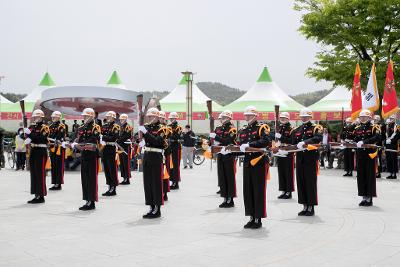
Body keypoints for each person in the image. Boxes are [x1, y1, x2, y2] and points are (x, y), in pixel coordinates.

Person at [237, 106, 271, 229]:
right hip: (247, 162)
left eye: (249, 115)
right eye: (246, 115)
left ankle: (258, 218)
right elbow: (240, 146)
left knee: (258, 190)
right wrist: (228, 150)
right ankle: (251, 216)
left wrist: (249, 144)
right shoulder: (243, 130)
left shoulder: (262, 127)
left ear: (255, 116)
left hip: (259, 162)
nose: (247, 117)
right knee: (248, 190)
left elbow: (266, 141)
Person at [137, 107, 168, 219]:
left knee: (156, 183)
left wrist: (145, 133)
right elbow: (138, 138)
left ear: (156, 117)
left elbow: (157, 141)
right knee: (148, 183)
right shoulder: (146, 127)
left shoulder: (163, 128)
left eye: (152, 116)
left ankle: (157, 208)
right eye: (148, 116)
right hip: (147, 156)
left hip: (156, 156)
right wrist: (139, 139)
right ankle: (150, 206)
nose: (150, 118)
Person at [291, 108, 322, 216]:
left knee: (310, 182)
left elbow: (318, 138)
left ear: (310, 117)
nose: (304, 117)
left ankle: (311, 206)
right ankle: (304, 205)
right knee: (301, 182)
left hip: (311, 159)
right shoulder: (296, 130)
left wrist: (305, 142)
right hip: (300, 159)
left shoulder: (316, 128)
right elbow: (293, 144)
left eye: (306, 116)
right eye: (302, 116)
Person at [71, 107, 101, 210]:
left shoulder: (95, 127)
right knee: (85, 179)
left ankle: (92, 202)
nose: (84, 117)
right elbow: (77, 137)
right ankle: (87, 200)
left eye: (86, 116)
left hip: (92, 155)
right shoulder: (81, 128)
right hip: (84, 155)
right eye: (84, 116)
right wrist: (73, 143)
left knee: (91, 179)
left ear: (92, 116)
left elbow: (93, 139)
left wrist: (79, 144)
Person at [209, 110, 237, 208]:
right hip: (220, 154)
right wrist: (210, 141)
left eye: (225, 117)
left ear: (229, 118)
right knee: (222, 177)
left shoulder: (232, 129)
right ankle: (225, 197)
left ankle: (230, 199)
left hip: (229, 155)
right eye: (222, 117)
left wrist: (216, 137)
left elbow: (228, 141)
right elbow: (214, 141)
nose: (222, 119)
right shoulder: (218, 128)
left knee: (229, 177)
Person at [353, 109, 381, 206]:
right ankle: (363, 197)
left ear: (369, 117)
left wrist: (364, 142)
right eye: (361, 117)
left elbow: (377, 137)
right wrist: (351, 142)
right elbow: (356, 139)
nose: (362, 118)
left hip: (370, 155)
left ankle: (369, 198)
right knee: (361, 176)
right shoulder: (357, 128)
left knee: (369, 176)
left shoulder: (374, 127)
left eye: (364, 117)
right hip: (360, 155)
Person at [24, 109, 50, 204]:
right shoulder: (32, 127)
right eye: (34, 117)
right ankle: (36, 194)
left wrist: (30, 135)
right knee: (34, 173)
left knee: (40, 173)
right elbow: (28, 137)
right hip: (33, 150)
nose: (35, 118)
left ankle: (41, 195)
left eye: (37, 117)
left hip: (41, 151)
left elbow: (41, 139)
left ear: (41, 117)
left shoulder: (45, 127)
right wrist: (25, 134)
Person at [274, 112, 294, 199]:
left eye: (284, 118)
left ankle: (289, 192)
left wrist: (281, 137)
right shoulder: (279, 128)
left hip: (287, 153)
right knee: (281, 172)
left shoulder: (291, 129)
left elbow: (292, 141)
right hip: (279, 151)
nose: (282, 119)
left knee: (288, 173)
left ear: (288, 119)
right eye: (281, 118)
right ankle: (283, 190)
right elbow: (272, 135)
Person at [100, 111, 121, 196]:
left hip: (111, 148)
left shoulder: (116, 127)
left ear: (113, 118)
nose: (108, 118)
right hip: (104, 148)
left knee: (112, 169)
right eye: (107, 117)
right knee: (107, 169)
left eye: (109, 117)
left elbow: (113, 138)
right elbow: (100, 135)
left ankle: (114, 188)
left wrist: (103, 137)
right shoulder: (104, 126)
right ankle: (109, 186)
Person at [48, 111, 67, 190]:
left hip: (59, 148)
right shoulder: (50, 126)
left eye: (54, 117)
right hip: (52, 148)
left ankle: (58, 183)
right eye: (52, 117)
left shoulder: (61, 126)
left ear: (58, 117)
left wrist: (52, 139)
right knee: (53, 166)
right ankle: (54, 182)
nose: (53, 118)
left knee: (59, 166)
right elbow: (48, 135)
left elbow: (59, 137)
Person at [167, 112, 183, 189]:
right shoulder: (168, 126)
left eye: (173, 118)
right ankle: (172, 181)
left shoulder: (178, 127)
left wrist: (170, 136)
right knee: (170, 165)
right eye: (170, 118)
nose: (171, 119)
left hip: (176, 148)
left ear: (176, 118)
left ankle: (176, 183)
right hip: (169, 147)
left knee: (176, 165)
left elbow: (176, 137)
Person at [159, 111, 172, 200]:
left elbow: (166, 139)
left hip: (165, 153)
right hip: (157, 153)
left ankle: (165, 192)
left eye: (162, 118)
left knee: (164, 173)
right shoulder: (155, 128)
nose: (160, 119)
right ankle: (159, 191)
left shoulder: (167, 128)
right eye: (160, 117)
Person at [118, 113, 133, 185]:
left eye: (123, 119)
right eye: (121, 119)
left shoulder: (128, 126)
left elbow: (126, 136)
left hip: (126, 146)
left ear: (126, 119)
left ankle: (127, 179)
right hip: (121, 146)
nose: (121, 120)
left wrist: (118, 140)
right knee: (122, 163)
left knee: (126, 163)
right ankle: (124, 178)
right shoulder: (121, 127)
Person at [385, 114, 399, 179]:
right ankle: (390, 173)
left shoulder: (397, 126)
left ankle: (394, 174)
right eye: (390, 119)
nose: (391, 120)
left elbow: (398, 135)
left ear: (395, 119)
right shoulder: (387, 126)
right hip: (387, 145)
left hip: (393, 145)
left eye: (392, 119)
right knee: (389, 159)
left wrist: (392, 140)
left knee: (393, 159)